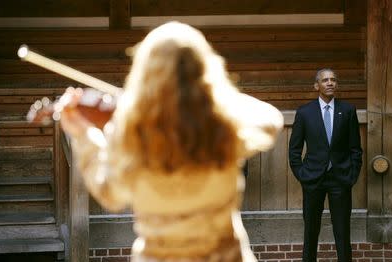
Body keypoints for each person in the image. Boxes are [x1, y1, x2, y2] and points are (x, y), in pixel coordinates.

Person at [60, 21, 283, 262]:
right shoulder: (226, 127)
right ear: (204, 71)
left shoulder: (129, 133)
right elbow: (272, 120)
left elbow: (110, 194)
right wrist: (215, 97)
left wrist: (84, 135)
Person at [288, 69, 362, 261]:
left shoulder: (347, 110)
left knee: (342, 231)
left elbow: (356, 148)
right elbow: (294, 150)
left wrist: (351, 175)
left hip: (341, 179)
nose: (330, 83)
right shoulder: (305, 112)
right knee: (311, 231)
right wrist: (302, 175)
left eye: (333, 80)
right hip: (313, 180)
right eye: (325, 80)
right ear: (316, 86)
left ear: (336, 85)